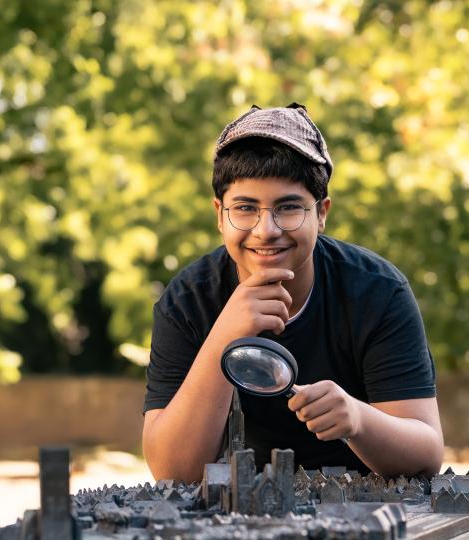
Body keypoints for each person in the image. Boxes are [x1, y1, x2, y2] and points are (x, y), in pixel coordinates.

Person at [142, 103, 443, 483]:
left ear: (322, 214)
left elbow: (427, 454)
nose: (266, 229)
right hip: (240, 507)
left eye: (288, 208)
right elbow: (173, 471)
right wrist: (225, 335)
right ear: (220, 214)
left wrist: (357, 419)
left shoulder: (378, 291)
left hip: (366, 507)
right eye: (245, 208)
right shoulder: (188, 301)